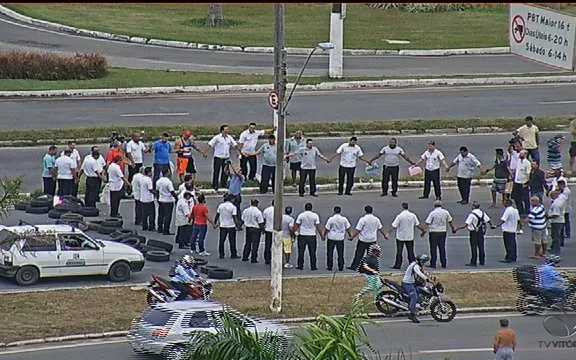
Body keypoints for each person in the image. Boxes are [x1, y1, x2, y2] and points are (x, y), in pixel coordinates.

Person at [453, 201, 494, 267]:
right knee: (481, 246)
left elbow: (466, 224)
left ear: (474, 206)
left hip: (474, 232)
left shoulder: (472, 215)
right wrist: (491, 225)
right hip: (480, 231)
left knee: (473, 247)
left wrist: (457, 229)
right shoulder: (482, 213)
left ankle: (473, 261)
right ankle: (482, 260)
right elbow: (488, 220)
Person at [347, 205, 388, 270]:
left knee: (359, 254)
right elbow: (380, 228)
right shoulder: (376, 219)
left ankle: (354, 266)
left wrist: (352, 237)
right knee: (371, 255)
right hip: (372, 240)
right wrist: (385, 235)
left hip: (363, 239)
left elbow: (358, 230)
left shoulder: (363, 219)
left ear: (365, 211)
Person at [389, 203, 426, 269]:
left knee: (399, 252)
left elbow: (393, 226)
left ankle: (398, 265)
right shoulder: (412, 215)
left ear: (402, 207)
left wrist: (388, 233)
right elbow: (417, 225)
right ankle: (412, 265)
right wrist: (423, 230)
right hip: (410, 236)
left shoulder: (400, 216)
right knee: (410, 251)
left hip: (401, 237)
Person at [206, 125, 242, 191]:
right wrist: (205, 152)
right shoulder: (217, 137)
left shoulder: (229, 138)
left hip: (226, 157)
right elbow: (210, 144)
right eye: (226, 129)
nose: (227, 131)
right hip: (218, 157)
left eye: (227, 129)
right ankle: (215, 184)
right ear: (222, 130)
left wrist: (239, 151)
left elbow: (235, 145)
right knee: (216, 171)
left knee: (225, 171)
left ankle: (223, 183)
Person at [424, 200, 455, 269]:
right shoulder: (445, 212)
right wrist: (453, 228)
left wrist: (424, 230)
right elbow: (450, 221)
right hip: (442, 231)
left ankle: (433, 263)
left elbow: (427, 222)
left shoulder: (433, 213)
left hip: (433, 231)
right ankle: (443, 263)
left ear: (434, 205)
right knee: (442, 248)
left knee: (433, 248)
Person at [401, 254, 430, 324]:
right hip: (407, 284)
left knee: (420, 290)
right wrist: (427, 279)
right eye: (423, 262)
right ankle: (412, 314)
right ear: (420, 261)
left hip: (412, 282)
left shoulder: (416, 265)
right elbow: (419, 273)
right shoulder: (415, 266)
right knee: (414, 297)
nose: (424, 264)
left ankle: (417, 305)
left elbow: (423, 272)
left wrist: (427, 274)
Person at [293, 202, 323, 271]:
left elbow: (297, 225)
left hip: (302, 235)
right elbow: (318, 226)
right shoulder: (315, 215)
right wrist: (321, 235)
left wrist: (294, 233)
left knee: (301, 252)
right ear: (311, 208)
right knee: (312, 252)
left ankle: (300, 265)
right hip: (312, 235)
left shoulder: (301, 215)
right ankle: (313, 266)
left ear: (305, 208)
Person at [323, 206, 352, 272]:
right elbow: (348, 228)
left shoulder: (331, 219)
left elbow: (327, 228)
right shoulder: (344, 219)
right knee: (340, 253)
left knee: (330, 253)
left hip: (331, 238)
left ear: (334, 211)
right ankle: (341, 266)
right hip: (340, 238)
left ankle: (330, 266)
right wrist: (350, 235)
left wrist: (324, 235)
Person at [493, 199, 521, 263]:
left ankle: (509, 257)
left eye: (504, 202)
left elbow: (503, 220)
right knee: (513, 244)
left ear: (507, 204)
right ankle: (514, 256)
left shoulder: (507, 211)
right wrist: (521, 228)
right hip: (513, 230)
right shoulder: (515, 210)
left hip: (507, 229)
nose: (503, 204)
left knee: (508, 244)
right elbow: (518, 220)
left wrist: (496, 226)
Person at [214, 194, 241, 259]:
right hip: (231, 226)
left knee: (222, 240)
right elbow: (234, 217)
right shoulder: (233, 207)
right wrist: (238, 226)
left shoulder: (221, 206)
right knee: (232, 241)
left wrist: (215, 222)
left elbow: (217, 215)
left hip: (223, 225)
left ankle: (221, 254)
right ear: (232, 199)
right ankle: (233, 254)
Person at [241, 198, 265, 263]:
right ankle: (253, 258)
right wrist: (263, 230)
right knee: (255, 244)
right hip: (256, 229)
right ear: (256, 203)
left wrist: (239, 226)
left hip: (248, 228)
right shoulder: (258, 212)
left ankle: (245, 256)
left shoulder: (246, 210)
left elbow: (242, 220)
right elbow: (260, 222)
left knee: (247, 243)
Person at [156, 168, 178, 235]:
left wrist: (158, 198)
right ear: (167, 173)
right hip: (168, 200)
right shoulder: (168, 182)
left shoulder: (159, 181)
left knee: (161, 215)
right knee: (168, 216)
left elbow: (157, 191)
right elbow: (172, 192)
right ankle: (166, 230)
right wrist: (176, 198)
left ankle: (160, 228)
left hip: (161, 199)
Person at [511, 150, 531, 216]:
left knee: (525, 197)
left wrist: (526, 183)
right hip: (517, 182)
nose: (520, 154)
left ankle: (527, 211)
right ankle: (520, 210)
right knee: (517, 197)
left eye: (521, 154)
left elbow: (528, 174)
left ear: (525, 154)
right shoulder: (518, 161)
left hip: (523, 183)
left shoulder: (527, 163)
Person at [139, 167, 157, 231]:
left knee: (144, 213)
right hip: (148, 199)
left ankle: (144, 226)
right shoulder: (148, 180)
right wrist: (157, 193)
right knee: (152, 214)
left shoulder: (142, 179)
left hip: (143, 198)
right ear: (149, 172)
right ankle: (151, 226)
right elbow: (150, 189)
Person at [262, 200, 275, 265]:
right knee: (276, 245)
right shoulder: (278, 210)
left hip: (268, 229)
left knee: (267, 245)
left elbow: (264, 220)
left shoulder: (266, 210)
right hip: (275, 230)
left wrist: (263, 228)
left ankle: (267, 259)